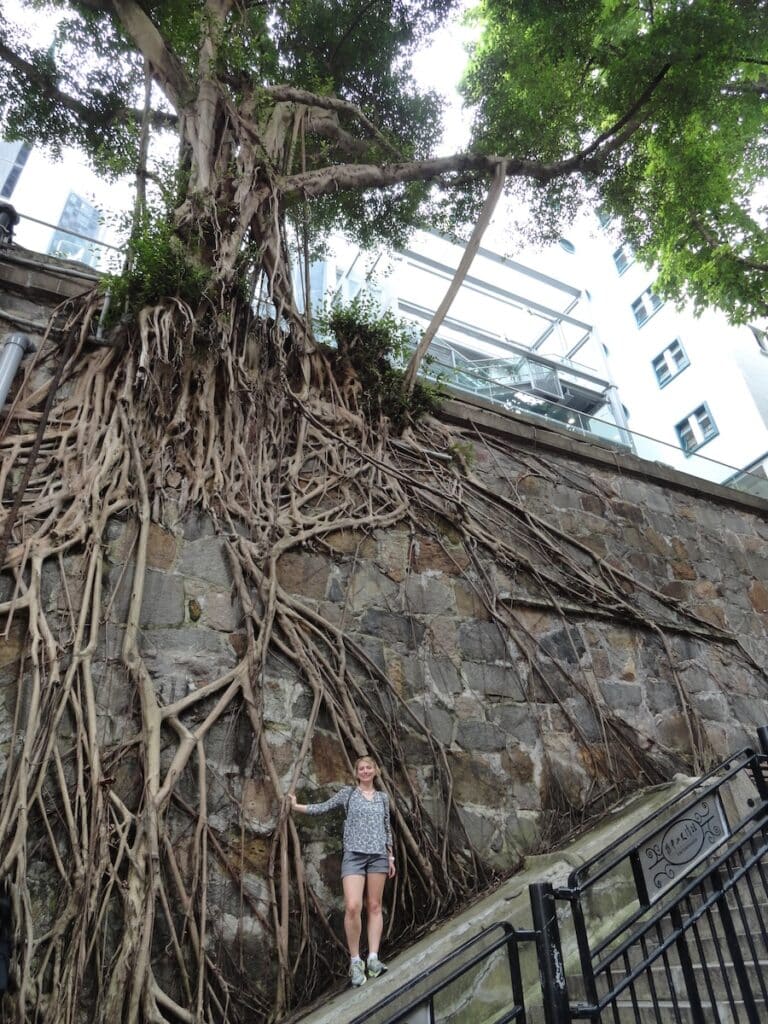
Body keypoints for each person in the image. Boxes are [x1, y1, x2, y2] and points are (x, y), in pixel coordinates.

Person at [288, 754, 396, 987]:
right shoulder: (348, 794)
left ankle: (373, 958)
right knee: (353, 906)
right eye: (361, 768)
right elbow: (323, 807)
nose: (365, 771)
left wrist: (390, 856)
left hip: (378, 856)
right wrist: (296, 806)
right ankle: (355, 961)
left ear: (375, 771)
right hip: (354, 856)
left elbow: (386, 827)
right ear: (356, 773)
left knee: (374, 906)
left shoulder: (382, 798)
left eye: (369, 768)